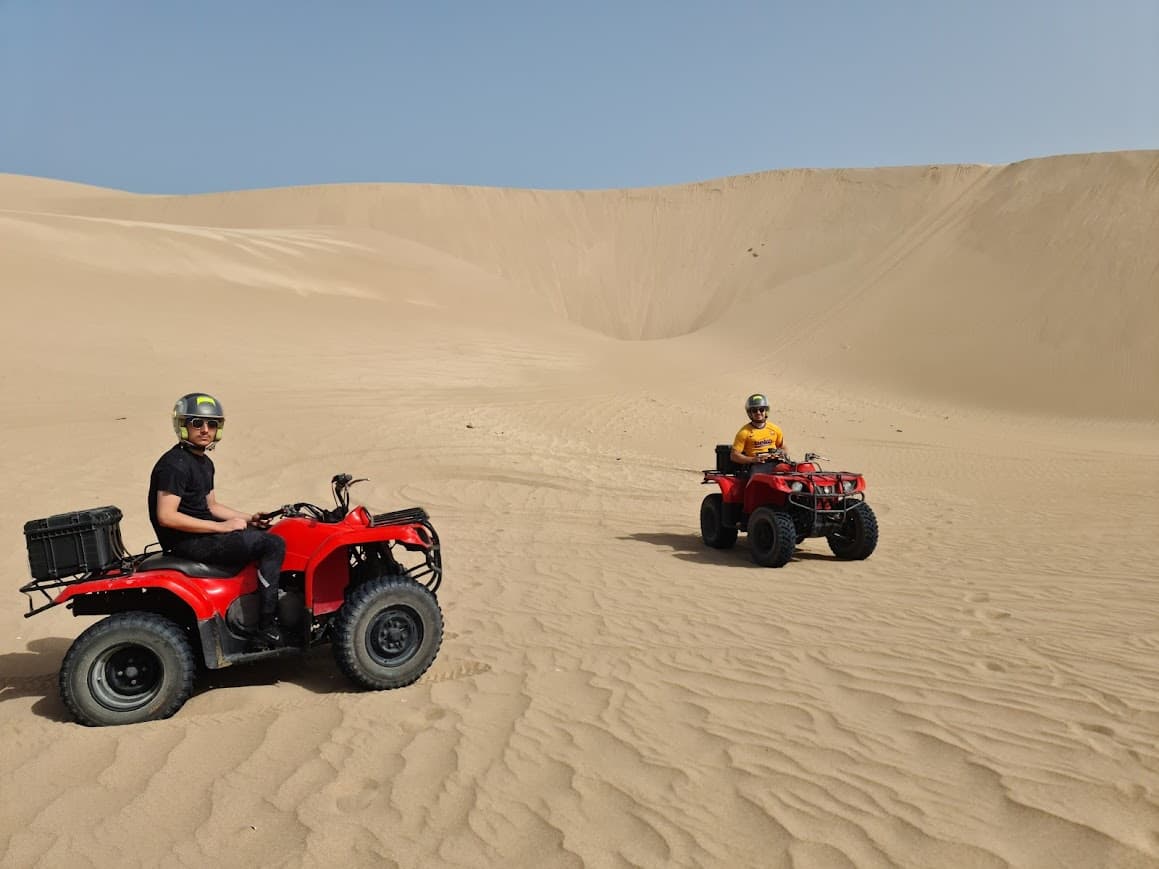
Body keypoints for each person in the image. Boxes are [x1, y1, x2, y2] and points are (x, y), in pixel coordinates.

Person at [147, 393, 286, 648]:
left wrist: (250, 518)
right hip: (189, 542)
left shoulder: (203, 462)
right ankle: (266, 627)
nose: (205, 430)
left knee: (274, 533)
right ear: (183, 425)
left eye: (212, 424)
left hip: (203, 535)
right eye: (197, 423)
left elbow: (210, 506)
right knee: (273, 545)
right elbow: (166, 516)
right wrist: (221, 527)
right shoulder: (175, 465)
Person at [730, 393, 788, 470]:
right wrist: (753, 460)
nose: (758, 413)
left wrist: (780, 454)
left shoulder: (775, 429)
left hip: (776, 463)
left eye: (761, 409)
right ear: (750, 413)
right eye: (754, 410)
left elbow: (783, 448)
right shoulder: (744, 432)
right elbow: (734, 456)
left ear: (766, 411)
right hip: (756, 466)